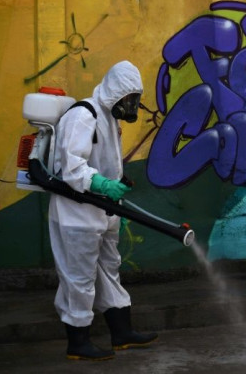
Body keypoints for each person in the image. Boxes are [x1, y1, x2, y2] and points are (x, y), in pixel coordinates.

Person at [49, 60, 158, 360]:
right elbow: (71, 168)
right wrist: (103, 186)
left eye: (135, 99)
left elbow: (108, 164)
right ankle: (78, 342)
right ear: (114, 93)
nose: (132, 105)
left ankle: (122, 332)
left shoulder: (109, 118)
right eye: (128, 99)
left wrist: (115, 202)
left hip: (103, 211)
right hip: (77, 214)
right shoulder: (84, 115)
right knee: (79, 278)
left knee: (109, 271)